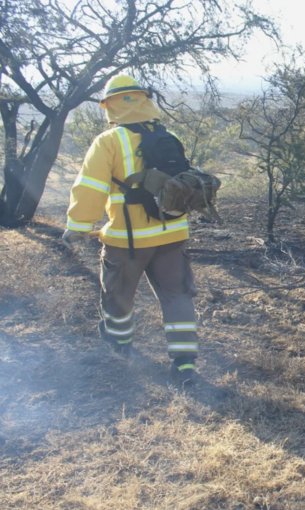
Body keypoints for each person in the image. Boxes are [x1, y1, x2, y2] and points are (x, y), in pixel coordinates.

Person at [62, 74, 200, 385]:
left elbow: (90, 187)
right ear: (144, 100)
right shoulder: (171, 136)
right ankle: (184, 364)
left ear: (109, 105)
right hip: (173, 233)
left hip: (128, 240)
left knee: (118, 297)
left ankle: (119, 348)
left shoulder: (108, 141)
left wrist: (78, 226)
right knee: (177, 297)